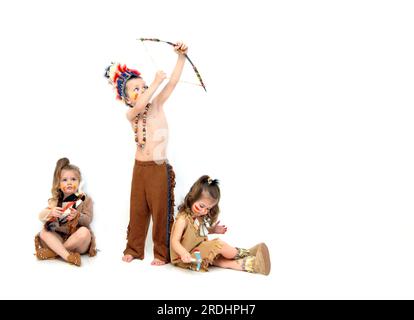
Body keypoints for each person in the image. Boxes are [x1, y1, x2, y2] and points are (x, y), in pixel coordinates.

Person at [104, 42, 189, 266]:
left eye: (144, 87)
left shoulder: (157, 105)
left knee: (161, 211)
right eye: (136, 89)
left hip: (157, 166)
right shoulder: (131, 113)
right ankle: (134, 248)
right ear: (128, 98)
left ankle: (162, 253)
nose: (142, 91)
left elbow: (172, 83)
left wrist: (181, 57)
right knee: (138, 209)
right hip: (139, 168)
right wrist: (154, 83)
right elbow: (141, 104)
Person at [170, 175, 271, 275]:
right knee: (218, 245)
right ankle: (245, 253)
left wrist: (213, 230)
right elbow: (175, 241)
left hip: (198, 251)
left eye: (208, 209)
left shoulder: (198, 217)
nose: (204, 211)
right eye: (201, 206)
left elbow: (198, 232)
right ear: (192, 197)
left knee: (218, 259)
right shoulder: (182, 220)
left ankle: (251, 265)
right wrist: (183, 253)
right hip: (186, 258)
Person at [34, 158, 96, 267]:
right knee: (44, 232)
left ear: (79, 182)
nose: (69, 183)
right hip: (60, 238)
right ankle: (67, 256)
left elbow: (88, 220)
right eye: (64, 180)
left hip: (78, 242)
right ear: (58, 184)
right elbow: (40, 216)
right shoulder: (56, 200)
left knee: (85, 232)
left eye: (73, 179)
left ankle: (54, 252)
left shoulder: (85, 199)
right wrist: (51, 213)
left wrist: (78, 215)